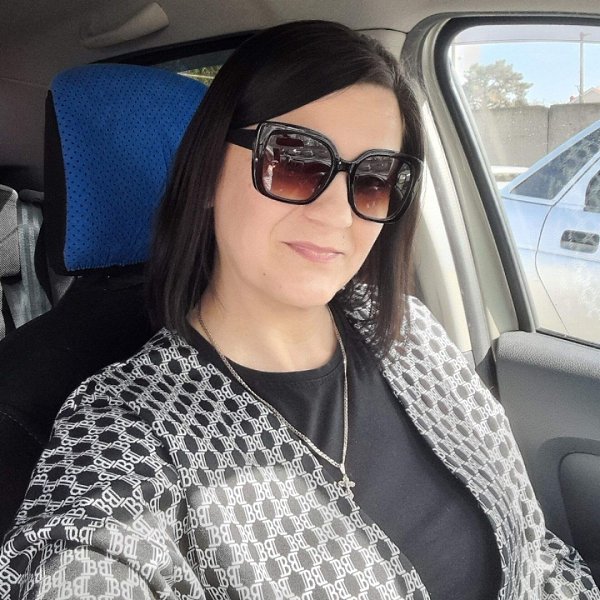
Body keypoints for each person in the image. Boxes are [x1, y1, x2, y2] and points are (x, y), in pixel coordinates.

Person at [0, 20, 598, 600]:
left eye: (375, 178)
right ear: (206, 173)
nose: (338, 214)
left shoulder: (408, 333)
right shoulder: (127, 430)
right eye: (294, 160)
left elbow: (536, 552)